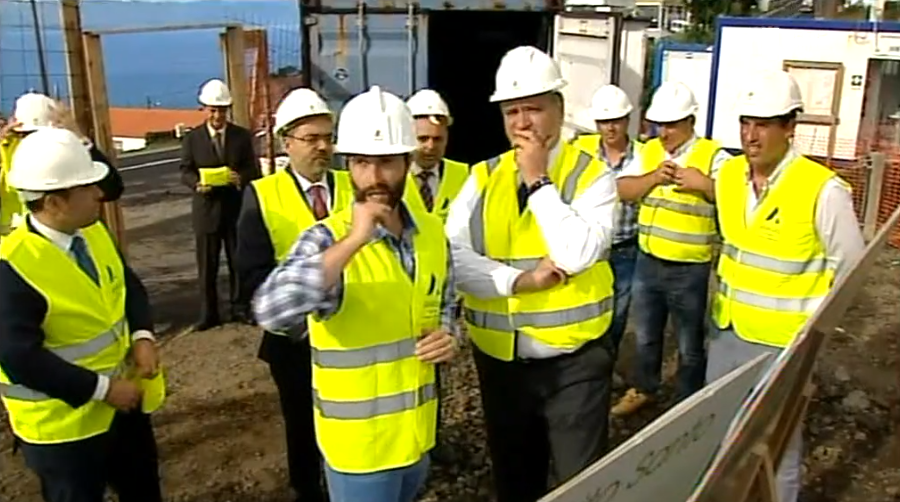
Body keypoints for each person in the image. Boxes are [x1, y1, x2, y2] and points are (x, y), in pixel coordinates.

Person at [253, 85, 459, 502]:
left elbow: (447, 302)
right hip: (360, 452)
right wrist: (352, 242)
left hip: (416, 438)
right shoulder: (326, 237)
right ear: (349, 165)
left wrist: (450, 335)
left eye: (386, 163)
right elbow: (271, 310)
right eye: (362, 163)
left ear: (407, 162)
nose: (375, 178)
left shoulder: (432, 235)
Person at [446, 46, 618, 502]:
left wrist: (540, 182)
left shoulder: (592, 176)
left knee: (579, 486)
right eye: (512, 111)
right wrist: (517, 282)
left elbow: (577, 252)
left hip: (574, 362)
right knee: (514, 480)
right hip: (501, 364)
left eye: (534, 109)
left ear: (559, 110)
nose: (522, 122)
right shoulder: (481, 177)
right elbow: (454, 258)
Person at [706, 70, 864, 502]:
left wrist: (810, 338)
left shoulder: (822, 190)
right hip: (727, 333)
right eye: (745, 123)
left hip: (783, 347)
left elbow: (849, 268)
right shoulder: (728, 175)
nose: (750, 136)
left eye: (762, 124)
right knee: (719, 442)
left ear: (790, 127)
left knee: (776, 451)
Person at [0, 127, 165, 502]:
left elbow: (128, 285)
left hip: (124, 411)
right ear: (54, 202)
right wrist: (104, 390)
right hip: (64, 434)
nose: (99, 193)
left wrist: (142, 336)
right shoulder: (12, 265)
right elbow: (19, 357)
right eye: (86, 187)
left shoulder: (92, 232)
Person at [236, 87, 354, 502]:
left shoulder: (352, 184)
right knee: (303, 423)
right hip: (294, 344)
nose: (323, 147)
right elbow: (251, 277)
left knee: (351, 422)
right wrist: (301, 319)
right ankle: (308, 490)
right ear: (287, 142)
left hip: (353, 333)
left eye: (328, 137)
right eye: (311, 139)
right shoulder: (262, 195)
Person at [611, 81, 732, 416]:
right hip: (648, 262)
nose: (663, 132)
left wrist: (704, 184)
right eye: (658, 124)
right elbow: (621, 189)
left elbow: (736, 200)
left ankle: (688, 402)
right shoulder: (648, 152)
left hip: (688, 269)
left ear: (690, 122)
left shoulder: (713, 156)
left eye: (671, 125)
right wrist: (652, 178)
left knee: (689, 343)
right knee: (647, 337)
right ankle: (645, 388)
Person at [180, 78, 261, 330]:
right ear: (204, 109)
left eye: (222, 110)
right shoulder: (192, 139)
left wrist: (241, 178)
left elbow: (253, 169)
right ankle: (209, 314)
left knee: (239, 262)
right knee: (207, 267)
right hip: (206, 211)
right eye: (213, 110)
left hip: (235, 210)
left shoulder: (241, 136)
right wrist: (196, 184)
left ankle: (240, 308)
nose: (217, 116)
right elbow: (185, 170)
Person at [571, 84, 644, 360]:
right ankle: (588, 365)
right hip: (591, 247)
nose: (610, 128)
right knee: (586, 309)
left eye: (615, 121)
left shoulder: (644, 156)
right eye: (603, 122)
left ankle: (605, 365)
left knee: (617, 314)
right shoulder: (583, 150)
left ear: (627, 120)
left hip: (626, 248)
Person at [0, 93, 125, 239]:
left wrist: (80, 140)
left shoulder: (65, 155)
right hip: (24, 243)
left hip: (67, 234)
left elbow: (111, 188)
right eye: (25, 134)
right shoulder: (7, 153)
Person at [403, 89, 469, 221]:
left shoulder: (465, 175)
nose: (431, 146)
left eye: (437, 139)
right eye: (423, 139)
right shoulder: (393, 176)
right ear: (408, 137)